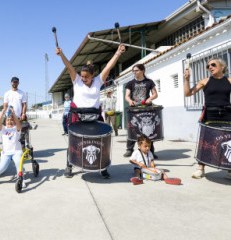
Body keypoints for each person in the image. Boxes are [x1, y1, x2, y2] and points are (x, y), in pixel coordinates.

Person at [56, 44, 126, 178]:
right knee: (73, 141)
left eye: (86, 76)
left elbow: (108, 67)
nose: (83, 78)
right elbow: (69, 66)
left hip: (94, 116)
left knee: (100, 141)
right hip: (77, 116)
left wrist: (118, 53)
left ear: (92, 75)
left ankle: (103, 166)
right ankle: (69, 165)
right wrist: (61, 54)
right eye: (82, 76)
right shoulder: (76, 81)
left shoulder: (98, 81)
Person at [184, 58, 231, 181]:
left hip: (227, 113)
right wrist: (186, 79)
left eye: (213, 64)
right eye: (208, 66)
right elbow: (188, 93)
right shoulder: (205, 81)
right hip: (210, 114)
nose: (210, 67)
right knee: (205, 140)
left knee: (230, 140)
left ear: (222, 66)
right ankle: (200, 169)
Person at [123, 64, 158, 159]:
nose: (134, 72)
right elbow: (127, 95)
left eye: (136, 70)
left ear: (143, 71)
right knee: (133, 129)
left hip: (146, 108)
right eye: (133, 71)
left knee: (149, 131)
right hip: (135, 108)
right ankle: (129, 149)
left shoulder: (149, 82)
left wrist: (150, 99)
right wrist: (130, 101)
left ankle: (150, 151)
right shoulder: (130, 83)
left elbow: (155, 94)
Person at [3, 77, 30, 147]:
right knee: (10, 134)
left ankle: (24, 146)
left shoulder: (22, 93)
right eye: (13, 82)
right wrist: (5, 115)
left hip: (19, 117)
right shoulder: (7, 93)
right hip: (10, 117)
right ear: (11, 83)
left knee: (21, 133)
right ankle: (10, 147)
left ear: (18, 83)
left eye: (16, 82)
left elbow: (24, 104)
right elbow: (5, 106)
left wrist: (23, 114)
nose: (14, 83)